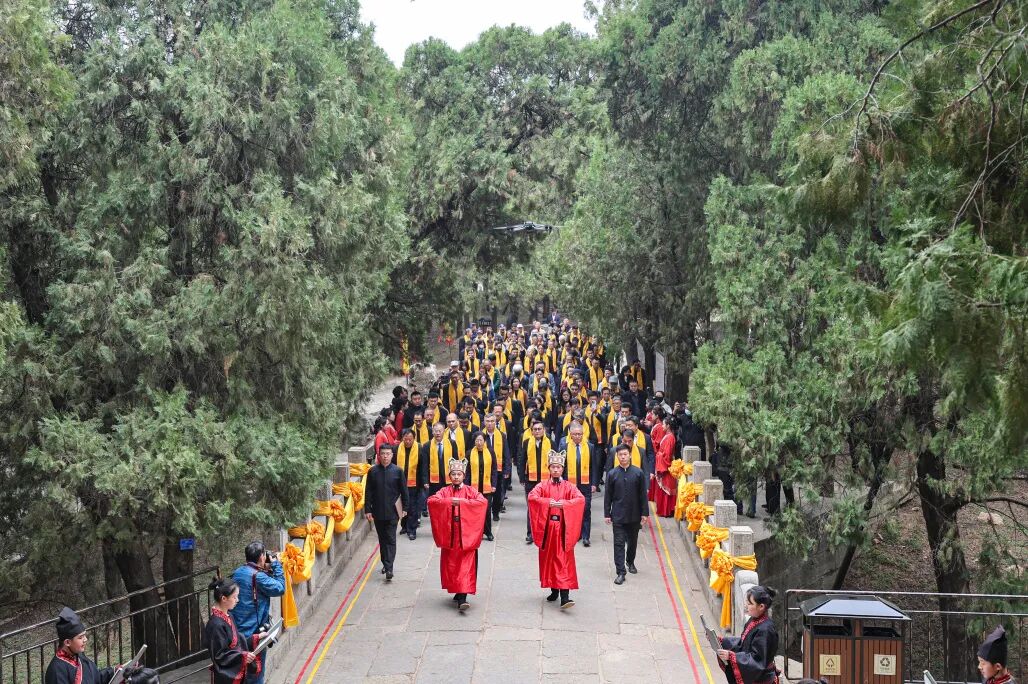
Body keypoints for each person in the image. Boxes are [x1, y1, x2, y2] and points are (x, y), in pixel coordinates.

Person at [426, 458, 489, 612]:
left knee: (465, 565)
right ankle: (457, 589)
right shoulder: (444, 491)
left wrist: (461, 503)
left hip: (466, 535)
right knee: (451, 565)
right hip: (450, 534)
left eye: (458, 474)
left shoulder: (470, 491)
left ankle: (463, 598)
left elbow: (482, 502)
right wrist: (449, 502)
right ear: (449, 476)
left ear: (463, 475)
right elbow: (432, 501)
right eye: (453, 474)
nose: (455, 477)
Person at [527, 450, 585, 609]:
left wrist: (565, 505)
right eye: (553, 467)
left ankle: (565, 596)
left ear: (563, 469)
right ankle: (554, 589)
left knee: (563, 560)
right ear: (549, 468)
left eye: (559, 467)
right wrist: (548, 503)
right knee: (549, 559)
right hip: (547, 530)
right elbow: (532, 497)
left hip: (563, 530)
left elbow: (580, 499)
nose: (556, 470)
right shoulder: (542, 485)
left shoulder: (569, 487)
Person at [230, 541, 285, 684]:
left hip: (238, 633)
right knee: (256, 673)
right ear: (262, 557)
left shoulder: (237, 573)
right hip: (255, 634)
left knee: (242, 673)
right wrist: (276, 565)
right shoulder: (259, 577)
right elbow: (280, 588)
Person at [716, 586, 779, 684]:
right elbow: (744, 641)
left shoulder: (766, 630)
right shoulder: (754, 620)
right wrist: (722, 641)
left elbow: (757, 660)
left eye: (750, 604)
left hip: (761, 679)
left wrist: (732, 656)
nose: (746, 606)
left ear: (761, 607)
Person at [604, 444, 648, 585]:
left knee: (633, 541)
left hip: (634, 514)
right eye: (620, 455)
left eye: (625, 454)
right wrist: (607, 513)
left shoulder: (638, 473)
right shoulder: (612, 474)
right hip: (617, 514)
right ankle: (620, 572)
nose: (623, 457)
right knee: (618, 543)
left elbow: (643, 495)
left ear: (630, 455)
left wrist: (644, 513)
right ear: (617, 456)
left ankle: (630, 561)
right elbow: (608, 496)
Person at [202, 577, 261, 683]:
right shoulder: (215, 625)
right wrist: (242, 657)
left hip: (236, 671)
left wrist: (256, 637)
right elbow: (220, 656)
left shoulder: (229, 615)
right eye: (235, 597)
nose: (237, 600)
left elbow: (236, 643)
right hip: (226, 678)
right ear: (224, 598)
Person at [365, 443, 409, 580]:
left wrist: (405, 508)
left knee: (391, 539)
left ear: (392, 455)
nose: (385, 456)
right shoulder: (373, 472)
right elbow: (368, 492)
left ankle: (389, 568)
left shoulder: (397, 471)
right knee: (382, 539)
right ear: (379, 455)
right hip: (378, 511)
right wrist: (367, 510)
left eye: (388, 454)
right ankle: (386, 562)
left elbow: (404, 491)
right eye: (383, 454)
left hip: (393, 512)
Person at [44, 608, 117, 684]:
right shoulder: (56, 671)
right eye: (80, 637)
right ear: (67, 642)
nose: (85, 639)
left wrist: (114, 672)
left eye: (84, 635)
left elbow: (96, 677)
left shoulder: (80, 656)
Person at [557, 422, 599, 547]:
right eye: (574, 434)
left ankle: (586, 536)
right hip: (570, 484)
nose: (577, 437)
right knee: (570, 510)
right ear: (570, 434)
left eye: (579, 434)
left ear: (583, 434)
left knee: (586, 510)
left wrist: (594, 483)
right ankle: (574, 534)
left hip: (585, 484)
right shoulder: (564, 446)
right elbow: (561, 467)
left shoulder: (590, 447)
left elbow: (594, 467)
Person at [520, 420, 553, 544]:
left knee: (546, 507)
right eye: (535, 429)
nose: (537, 431)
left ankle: (545, 532)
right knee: (532, 507)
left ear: (544, 430)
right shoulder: (527, 442)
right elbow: (522, 459)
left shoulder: (551, 443)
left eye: (540, 429)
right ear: (532, 431)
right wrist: (522, 477)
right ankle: (530, 533)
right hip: (531, 480)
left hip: (546, 481)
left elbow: (556, 464)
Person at [465, 431, 498, 541]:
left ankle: (488, 532)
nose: (479, 443)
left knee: (487, 510)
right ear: (474, 441)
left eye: (481, 440)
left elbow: (494, 469)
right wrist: (466, 485)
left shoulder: (490, 452)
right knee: (474, 511)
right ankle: (475, 533)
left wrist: (494, 484)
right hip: (473, 487)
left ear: (485, 441)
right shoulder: (469, 453)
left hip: (487, 486)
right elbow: (467, 471)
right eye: (477, 440)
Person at [396, 429, 427, 541]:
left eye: (410, 439)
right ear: (402, 438)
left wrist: (424, 481)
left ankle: (412, 530)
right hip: (400, 483)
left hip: (415, 483)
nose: (408, 441)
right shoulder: (397, 448)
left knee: (413, 507)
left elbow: (423, 466)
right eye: (405, 439)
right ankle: (404, 526)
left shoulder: (419, 448)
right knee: (402, 506)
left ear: (414, 439)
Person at [653, 415, 678, 517]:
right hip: (665, 467)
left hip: (666, 469)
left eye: (663, 424)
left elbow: (667, 456)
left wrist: (658, 455)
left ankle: (666, 511)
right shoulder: (668, 436)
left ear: (668, 426)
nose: (662, 425)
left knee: (665, 490)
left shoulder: (670, 437)